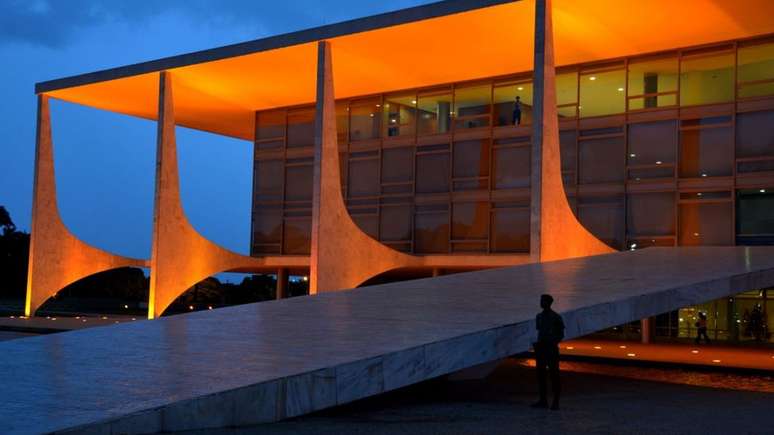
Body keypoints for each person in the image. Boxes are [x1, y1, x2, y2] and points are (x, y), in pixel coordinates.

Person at [532, 294, 564, 410]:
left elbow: (561, 334)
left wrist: (552, 342)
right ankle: (543, 400)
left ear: (548, 303)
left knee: (554, 375)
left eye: (543, 301)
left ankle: (556, 402)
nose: (541, 303)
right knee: (541, 376)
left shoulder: (556, 317)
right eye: (540, 300)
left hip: (551, 349)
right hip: (541, 349)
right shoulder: (539, 317)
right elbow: (539, 331)